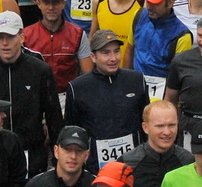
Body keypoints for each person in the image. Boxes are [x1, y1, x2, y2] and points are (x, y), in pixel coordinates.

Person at [0, 11, 64, 174]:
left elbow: (54, 116)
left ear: (22, 37)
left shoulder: (40, 70)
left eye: (10, 37)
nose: (5, 43)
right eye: (0, 37)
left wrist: (58, 158)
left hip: (33, 152)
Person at [64, 31, 149, 165]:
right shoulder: (77, 88)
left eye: (116, 51)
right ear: (93, 57)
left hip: (134, 163)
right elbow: (73, 130)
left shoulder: (136, 80)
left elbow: (146, 123)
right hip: (95, 166)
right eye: (106, 53)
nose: (113, 58)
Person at [122, 101, 193, 187]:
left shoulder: (188, 162)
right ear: (145, 127)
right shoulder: (128, 163)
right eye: (160, 126)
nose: (167, 132)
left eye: (172, 125)